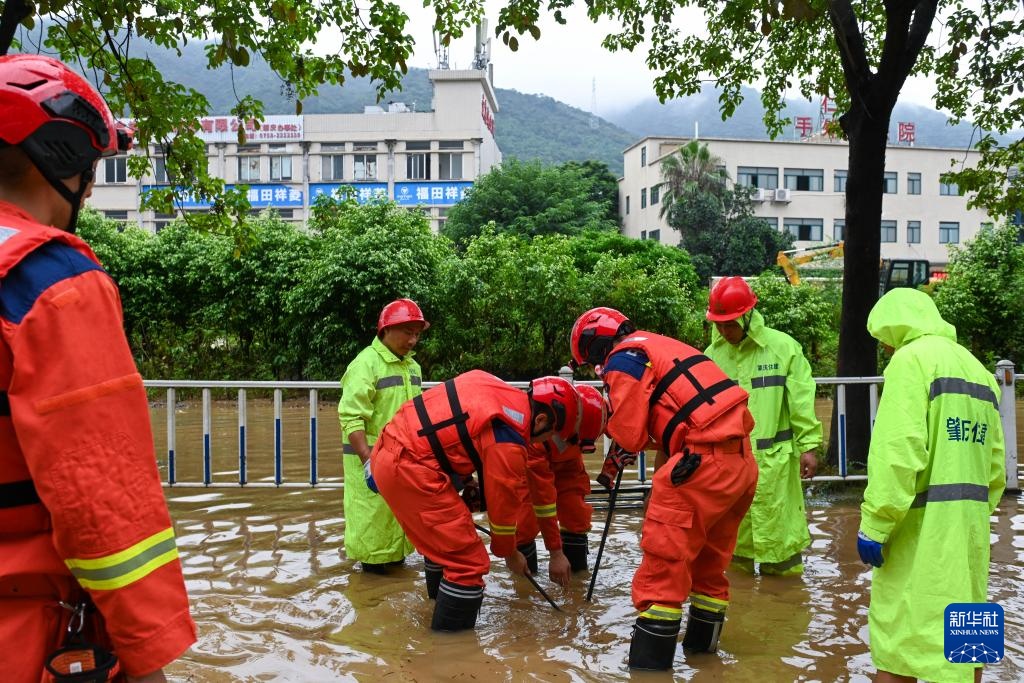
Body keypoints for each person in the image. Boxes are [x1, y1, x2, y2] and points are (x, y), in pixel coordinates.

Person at [0, 55, 196, 681]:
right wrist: (148, 654)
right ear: (58, 161)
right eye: (89, 174)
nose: (87, 191)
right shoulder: (50, 282)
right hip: (22, 625)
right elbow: (106, 505)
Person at [570, 306, 758, 670]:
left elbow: (629, 434)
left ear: (596, 348)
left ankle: (649, 673)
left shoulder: (624, 358)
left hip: (698, 466)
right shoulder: (664, 347)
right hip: (740, 464)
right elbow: (681, 417)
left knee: (662, 571)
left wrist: (608, 423)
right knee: (709, 569)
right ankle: (705, 664)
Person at [857, 288, 1005, 683]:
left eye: (886, 341)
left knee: (898, 642)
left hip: (916, 537)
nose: (887, 349)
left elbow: (897, 454)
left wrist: (876, 524)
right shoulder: (980, 371)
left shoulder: (910, 362)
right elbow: (996, 471)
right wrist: (968, 513)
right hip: (971, 538)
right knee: (968, 645)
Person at [368, 370, 580, 631]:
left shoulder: (496, 389)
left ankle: (436, 607)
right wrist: (510, 553)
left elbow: (452, 432)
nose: (543, 443)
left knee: (446, 544)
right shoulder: (511, 439)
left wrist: (466, 482)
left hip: (391, 452)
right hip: (411, 468)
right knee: (469, 562)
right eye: (549, 437)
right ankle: (453, 655)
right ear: (542, 419)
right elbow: (503, 513)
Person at [704, 277, 822, 576]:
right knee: (731, 553)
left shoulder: (784, 348)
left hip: (776, 466)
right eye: (718, 324)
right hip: (730, 468)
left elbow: (801, 403)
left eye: (729, 323)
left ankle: (786, 612)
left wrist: (809, 446)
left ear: (747, 316)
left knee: (781, 548)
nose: (723, 330)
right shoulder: (712, 357)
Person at [338, 298, 426, 574]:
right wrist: (367, 461)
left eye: (417, 334)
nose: (412, 340)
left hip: (402, 463)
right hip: (372, 464)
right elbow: (351, 416)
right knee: (373, 540)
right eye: (407, 332)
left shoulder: (412, 367)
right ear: (386, 330)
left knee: (396, 534)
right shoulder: (365, 364)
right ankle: (371, 607)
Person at [514, 382, 607, 575]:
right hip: (533, 469)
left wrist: (612, 468)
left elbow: (630, 430)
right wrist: (555, 553)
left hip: (570, 466)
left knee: (576, 514)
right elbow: (542, 498)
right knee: (525, 522)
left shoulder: (597, 414)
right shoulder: (536, 432)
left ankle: (577, 579)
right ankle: (525, 584)